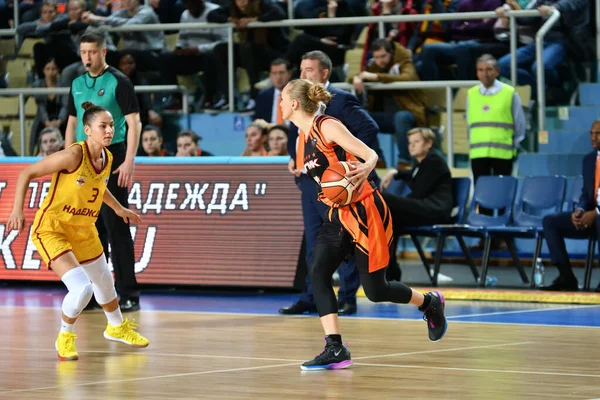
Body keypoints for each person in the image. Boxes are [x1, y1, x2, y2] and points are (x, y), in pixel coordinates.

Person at [280, 79, 447, 370]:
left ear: (294, 104)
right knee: (318, 271)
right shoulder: (300, 138)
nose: (279, 104)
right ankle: (334, 347)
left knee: (375, 290)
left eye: (283, 99)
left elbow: (369, 153)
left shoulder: (326, 125)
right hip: (337, 213)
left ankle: (429, 302)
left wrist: (368, 166)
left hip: (365, 210)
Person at [6, 101, 149, 361]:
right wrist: (17, 210)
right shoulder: (73, 155)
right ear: (87, 130)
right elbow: (27, 172)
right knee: (83, 289)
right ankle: (65, 337)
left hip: (83, 228)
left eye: (111, 126)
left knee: (105, 280)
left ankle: (116, 327)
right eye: (102, 126)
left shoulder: (107, 157)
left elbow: (98, 187)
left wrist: (118, 209)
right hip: (53, 228)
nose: (109, 130)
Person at [281, 50, 383, 316]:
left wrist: (353, 166)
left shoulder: (341, 102)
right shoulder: (296, 105)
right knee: (315, 244)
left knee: (346, 242)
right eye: (301, 70)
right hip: (312, 184)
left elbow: (368, 130)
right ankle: (312, 297)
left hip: (341, 185)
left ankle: (347, 296)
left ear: (324, 73)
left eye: (309, 70)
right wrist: (297, 160)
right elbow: (304, 141)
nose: (304, 75)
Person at [65, 29, 142, 312]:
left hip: (114, 153)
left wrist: (130, 160)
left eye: (92, 52)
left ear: (103, 52)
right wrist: (68, 159)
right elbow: (72, 122)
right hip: (86, 157)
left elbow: (134, 121)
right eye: (83, 52)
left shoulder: (118, 82)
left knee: (116, 224)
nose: (87, 57)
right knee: (90, 227)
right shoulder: (75, 83)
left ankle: (129, 292)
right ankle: (98, 295)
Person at [467, 53, 525, 250]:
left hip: (503, 153)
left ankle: (503, 236)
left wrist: (513, 145)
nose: (485, 74)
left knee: (502, 195)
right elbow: (470, 123)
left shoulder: (509, 93)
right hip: (478, 153)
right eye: (481, 70)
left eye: (489, 69)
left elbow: (519, 124)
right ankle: (485, 237)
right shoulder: (471, 93)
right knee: (482, 196)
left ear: (497, 71)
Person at [379, 127, 454, 281]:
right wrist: (395, 172)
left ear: (429, 143)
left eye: (417, 142)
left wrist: (399, 203)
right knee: (387, 220)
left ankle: (390, 270)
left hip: (436, 210)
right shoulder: (421, 164)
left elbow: (419, 191)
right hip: (425, 208)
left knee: (382, 198)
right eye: (409, 143)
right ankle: (391, 270)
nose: (411, 146)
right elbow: (413, 174)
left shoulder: (434, 161)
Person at [541, 119, 600, 293]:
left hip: (598, 218)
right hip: (592, 216)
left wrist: (596, 213)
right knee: (550, 221)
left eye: (598, 133)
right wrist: (580, 210)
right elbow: (586, 193)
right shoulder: (589, 160)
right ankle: (566, 277)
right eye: (591, 133)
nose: (593, 137)